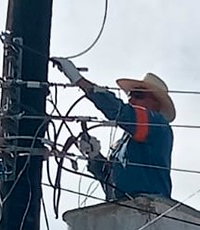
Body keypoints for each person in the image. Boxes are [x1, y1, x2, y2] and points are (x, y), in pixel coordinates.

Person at [52, 58, 174, 202]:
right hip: (122, 209)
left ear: (156, 103)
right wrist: (94, 156)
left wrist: (80, 81)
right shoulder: (126, 142)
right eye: (130, 96)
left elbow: (120, 112)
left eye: (138, 95)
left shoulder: (158, 125)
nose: (131, 100)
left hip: (149, 207)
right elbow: (111, 182)